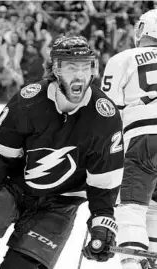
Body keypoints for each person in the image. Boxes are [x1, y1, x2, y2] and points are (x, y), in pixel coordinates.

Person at [0, 36, 124, 269]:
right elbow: (0, 154)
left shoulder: (105, 118)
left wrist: (102, 222)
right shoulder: (29, 101)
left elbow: (104, 184)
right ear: (55, 70)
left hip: (61, 204)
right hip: (15, 187)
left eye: (85, 67)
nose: (80, 75)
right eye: (71, 67)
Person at [101, 9, 157, 269]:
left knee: (131, 207)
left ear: (143, 30)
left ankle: (134, 262)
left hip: (143, 137)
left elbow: (107, 109)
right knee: (155, 206)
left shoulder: (123, 58)